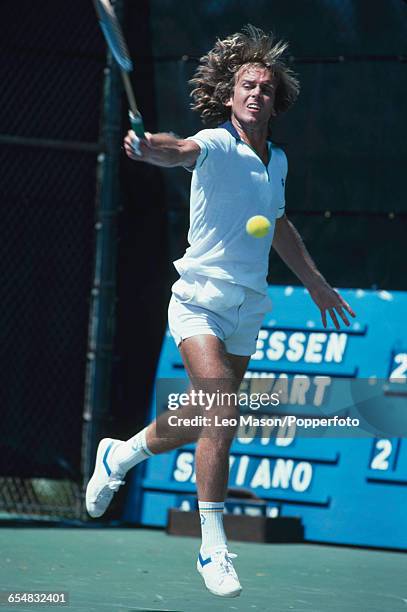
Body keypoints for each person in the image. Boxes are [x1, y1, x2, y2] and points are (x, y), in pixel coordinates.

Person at [86, 25, 356, 598]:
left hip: (246, 307)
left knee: (206, 414)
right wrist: (147, 147)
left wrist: (315, 283)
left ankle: (120, 453)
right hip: (199, 301)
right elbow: (176, 149)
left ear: (274, 99)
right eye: (246, 85)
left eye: (264, 86)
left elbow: (278, 225)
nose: (256, 92)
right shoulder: (213, 142)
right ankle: (213, 545)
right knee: (220, 410)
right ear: (230, 98)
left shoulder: (276, 161)